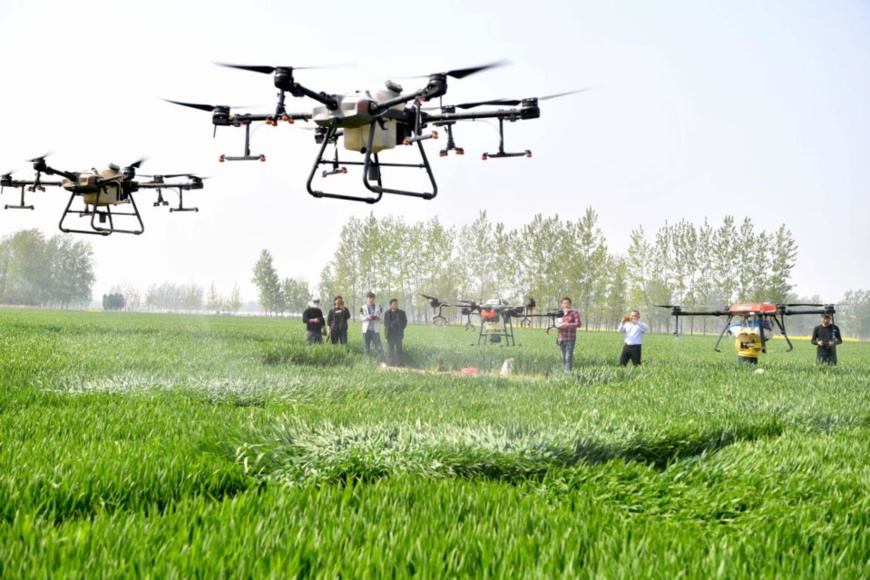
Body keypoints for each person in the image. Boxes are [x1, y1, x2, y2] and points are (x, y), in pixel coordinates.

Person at [555, 297, 581, 372]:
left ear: (570, 304)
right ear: (561, 304)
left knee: (568, 357)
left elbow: (578, 324)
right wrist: (558, 326)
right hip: (561, 338)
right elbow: (556, 323)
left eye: (567, 303)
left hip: (570, 338)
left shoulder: (574, 313)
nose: (566, 305)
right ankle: (565, 372)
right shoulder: (559, 314)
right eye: (564, 303)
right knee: (564, 357)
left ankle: (567, 375)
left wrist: (568, 324)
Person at [360, 292, 385, 364]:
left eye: (372, 297)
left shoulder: (379, 307)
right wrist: (367, 317)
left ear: (374, 298)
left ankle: (381, 361)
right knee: (366, 347)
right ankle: (367, 362)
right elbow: (361, 318)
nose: (371, 299)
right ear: (367, 298)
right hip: (366, 330)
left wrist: (378, 318)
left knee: (379, 346)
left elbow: (382, 317)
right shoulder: (363, 307)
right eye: (369, 297)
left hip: (375, 330)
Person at [383, 298, 408, 367]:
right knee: (391, 349)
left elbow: (405, 322)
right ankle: (391, 363)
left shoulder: (402, 313)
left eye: (396, 304)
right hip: (390, 334)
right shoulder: (387, 313)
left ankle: (400, 363)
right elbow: (385, 323)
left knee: (399, 348)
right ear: (390, 305)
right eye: (394, 304)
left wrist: (400, 328)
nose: (396, 305)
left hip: (398, 334)